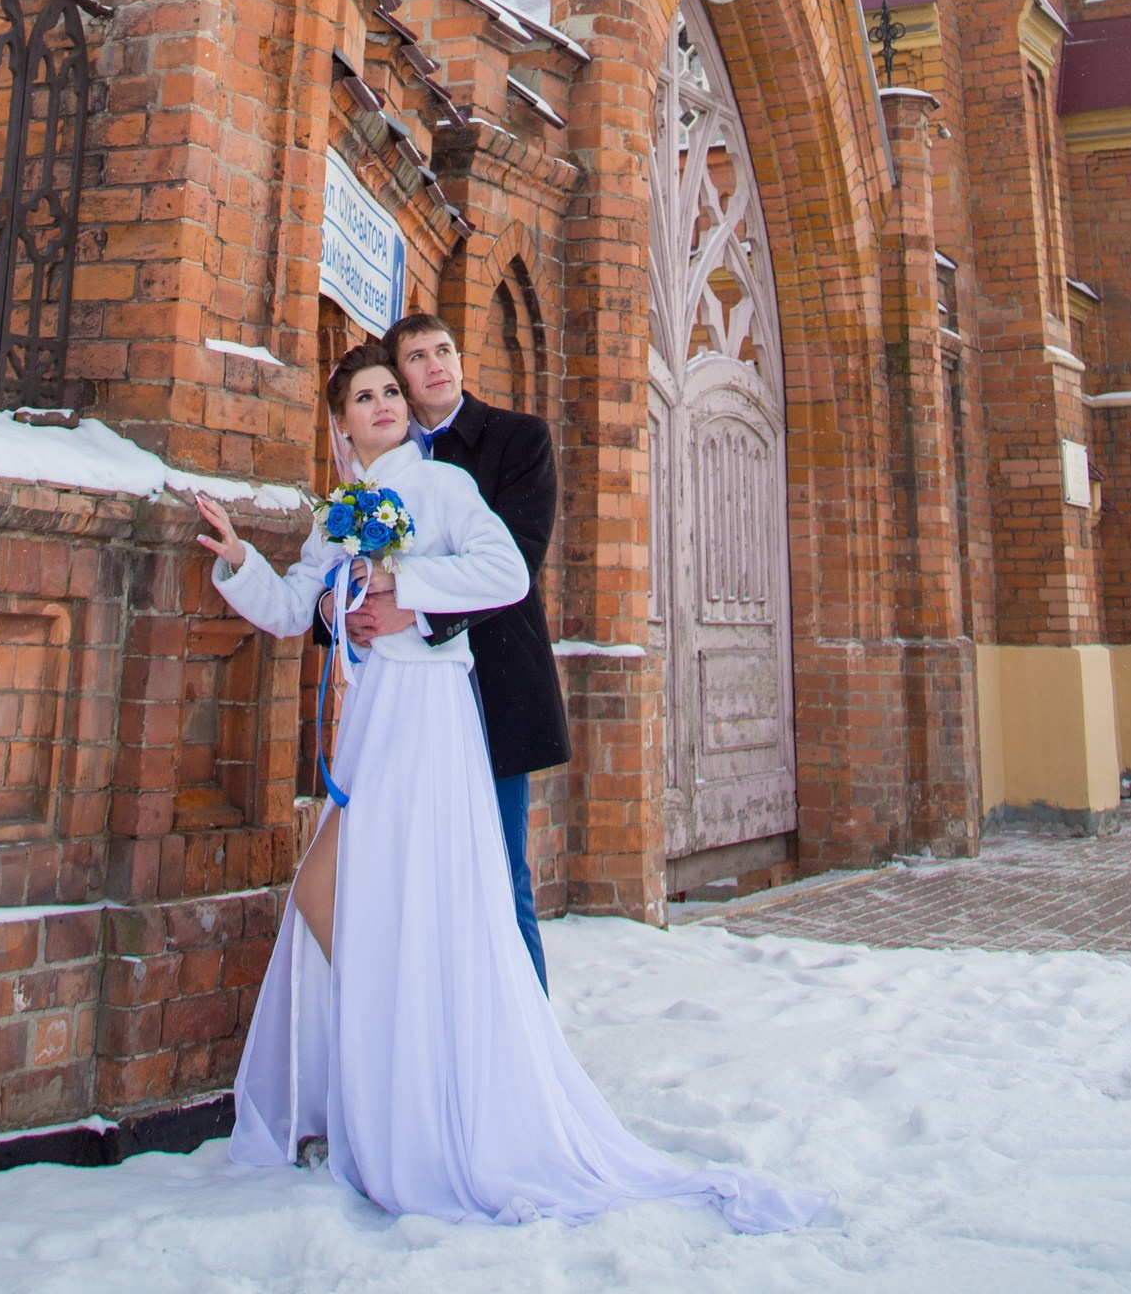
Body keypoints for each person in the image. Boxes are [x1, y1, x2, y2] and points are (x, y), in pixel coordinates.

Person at [194, 338, 832, 1233]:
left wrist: (404, 589)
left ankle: (432, 1071)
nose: (382, 405)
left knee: (378, 892)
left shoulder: (447, 487)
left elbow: (504, 572)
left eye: (390, 392)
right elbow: (299, 607)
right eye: (364, 397)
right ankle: (402, 1056)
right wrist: (237, 564)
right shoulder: (341, 511)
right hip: (375, 720)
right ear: (338, 423)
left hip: (429, 715)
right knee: (330, 896)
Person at [368, 308, 567, 991]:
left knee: (501, 870)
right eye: (418, 356)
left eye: (445, 350)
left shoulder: (518, 439)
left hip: (497, 686)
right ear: (399, 378)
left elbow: (517, 565)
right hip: (409, 694)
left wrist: (412, 612)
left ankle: (531, 1053)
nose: (437, 365)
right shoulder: (387, 463)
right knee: (419, 875)